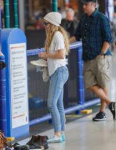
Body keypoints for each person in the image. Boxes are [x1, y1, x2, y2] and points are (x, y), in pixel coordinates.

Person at [70, 0, 116, 121]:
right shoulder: (84, 18)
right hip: (87, 57)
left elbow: (108, 38)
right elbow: (76, 35)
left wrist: (101, 53)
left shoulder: (102, 18)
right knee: (89, 84)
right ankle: (111, 104)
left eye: (86, 4)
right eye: (83, 5)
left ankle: (102, 111)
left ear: (93, 5)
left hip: (100, 56)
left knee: (103, 83)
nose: (84, 7)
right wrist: (64, 44)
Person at [38, 12, 69, 142]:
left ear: (52, 24)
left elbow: (61, 55)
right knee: (59, 105)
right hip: (58, 71)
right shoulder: (54, 36)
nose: (44, 26)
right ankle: (61, 133)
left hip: (59, 72)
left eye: (46, 24)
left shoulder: (57, 36)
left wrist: (46, 55)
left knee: (51, 104)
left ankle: (57, 134)